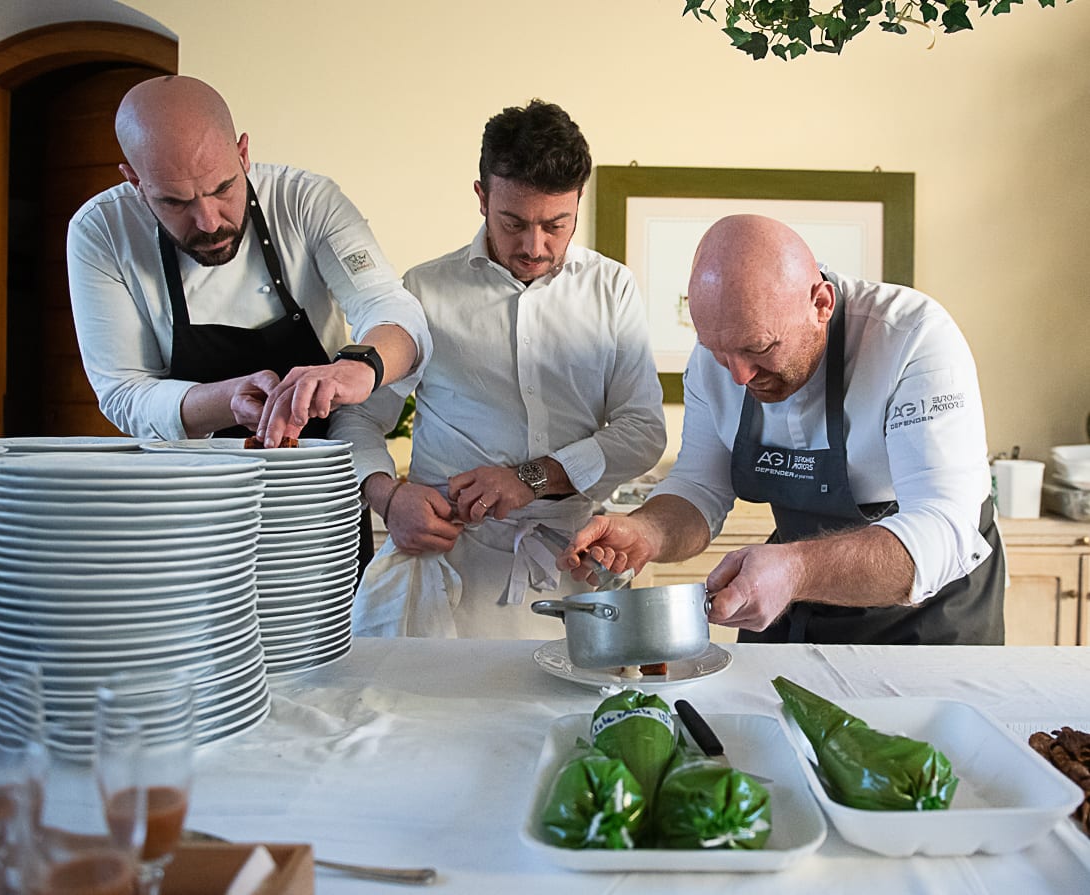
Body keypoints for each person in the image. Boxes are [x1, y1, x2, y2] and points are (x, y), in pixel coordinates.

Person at [561, 214, 1005, 645]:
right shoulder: (722, 357)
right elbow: (700, 486)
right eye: (716, 350)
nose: (738, 376)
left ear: (821, 304)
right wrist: (647, 533)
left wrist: (794, 570)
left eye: (759, 348)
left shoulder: (911, 337)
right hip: (799, 597)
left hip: (925, 617)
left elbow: (944, 528)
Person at [330, 99, 666, 639]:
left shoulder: (613, 289)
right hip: (444, 572)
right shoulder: (424, 290)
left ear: (578, 201)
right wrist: (388, 499)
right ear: (482, 197)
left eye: (557, 225)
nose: (535, 246)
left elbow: (644, 432)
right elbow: (356, 419)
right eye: (514, 223)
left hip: (574, 572)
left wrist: (531, 480)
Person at [66, 75, 430, 447]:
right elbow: (123, 392)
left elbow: (390, 307)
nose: (208, 222)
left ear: (243, 155)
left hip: (320, 477)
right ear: (135, 182)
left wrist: (359, 366)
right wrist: (229, 399)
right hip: (188, 485)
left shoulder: (304, 201)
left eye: (223, 188)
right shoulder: (103, 231)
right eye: (174, 202)